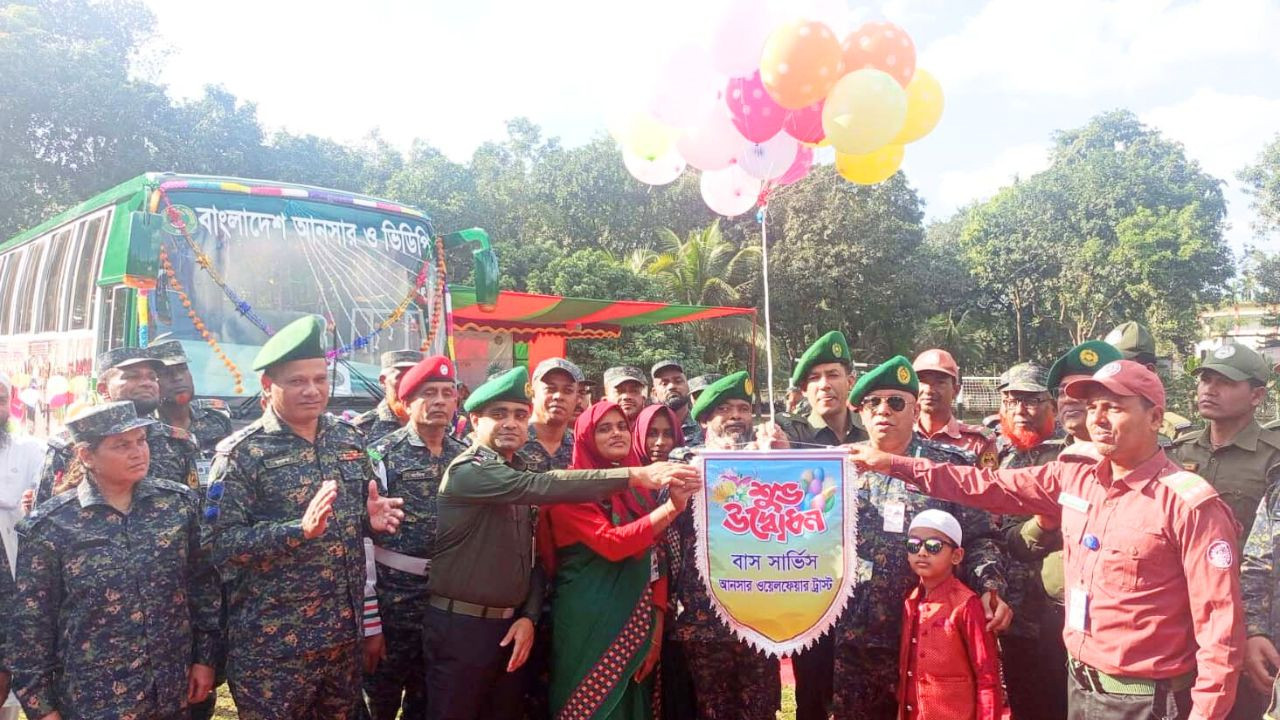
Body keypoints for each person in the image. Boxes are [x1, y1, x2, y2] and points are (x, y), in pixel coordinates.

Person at [848, 359, 1245, 720]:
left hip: (1147, 702)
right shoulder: (1074, 476)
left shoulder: (1188, 504)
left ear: (1155, 417)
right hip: (1079, 689)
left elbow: (1220, 627)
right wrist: (896, 464)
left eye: (1115, 407)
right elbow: (981, 484)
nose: (1099, 419)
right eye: (1093, 407)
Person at [423, 366, 697, 720]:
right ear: (474, 420)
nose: (511, 423)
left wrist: (528, 617)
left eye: (519, 415)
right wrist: (636, 476)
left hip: (512, 625)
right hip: (462, 626)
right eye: (498, 414)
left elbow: (532, 558)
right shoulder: (470, 471)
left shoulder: (519, 470)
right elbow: (548, 489)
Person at [201, 316, 407, 719]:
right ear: (268, 386)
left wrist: (368, 519)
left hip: (340, 643)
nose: (312, 390)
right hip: (274, 648)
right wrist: (296, 532)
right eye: (297, 381)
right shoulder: (241, 454)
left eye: (320, 379)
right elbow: (218, 546)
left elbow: (350, 522)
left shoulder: (348, 440)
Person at [9, 401, 220, 720]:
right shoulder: (51, 526)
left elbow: (202, 587)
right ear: (86, 456)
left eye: (141, 441)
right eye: (122, 445)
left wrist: (205, 659)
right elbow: (30, 627)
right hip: (96, 699)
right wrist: (41, 708)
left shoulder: (178, 506)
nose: (138, 452)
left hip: (172, 689)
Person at [829, 356, 1007, 720]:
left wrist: (990, 587)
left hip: (930, 636)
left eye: (896, 402)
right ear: (860, 412)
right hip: (854, 638)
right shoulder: (834, 467)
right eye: (873, 403)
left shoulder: (949, 465)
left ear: (914, 409)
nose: (884, 411)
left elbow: (980, 538)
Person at [542, 400, 700, 719]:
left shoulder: (641, 493)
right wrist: (671, 509)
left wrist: (654, 632)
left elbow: (658, 561)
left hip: (637, 620)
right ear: (585, 437)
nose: (616, 433)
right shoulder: (569, 489)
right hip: (588, 622)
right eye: (604, 428)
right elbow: (612, 544)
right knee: (588, 706)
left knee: (633, 704)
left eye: (621, 427)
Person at [1002, 340, 1121, 720]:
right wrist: (1043, 524)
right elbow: (1006, 538)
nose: (1022, 410)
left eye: (1033, 399)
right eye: (1012, 400)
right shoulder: (1016, 460)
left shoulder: (1112, 459)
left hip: (1098, 621)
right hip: (1028, 617)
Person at [667, 371, 782, 720]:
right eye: (725, 409)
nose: (736, 416)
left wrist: (781, 459)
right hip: (704, 614)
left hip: (760, 612)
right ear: (704, 418)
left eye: (744, 408)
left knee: (760, 706)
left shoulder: (770, 461)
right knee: (711, 707)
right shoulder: (683, 461)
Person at [363, 356, 467, 720]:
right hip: (394, 598)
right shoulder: (380, 455)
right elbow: (362, 540)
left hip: (446, 599)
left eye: (447, 393)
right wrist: (370, 616)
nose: (439, 401)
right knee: (382, 698)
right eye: (428, 393)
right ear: (406, 403)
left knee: (429, 700)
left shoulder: (466, 455)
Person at [776, 331, 868, 720]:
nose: (824, 385)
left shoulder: (873, 434)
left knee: (867, 696)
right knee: (812, 696)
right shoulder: (789, 435)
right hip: (811, 586)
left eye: (832, 374)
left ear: (850, 379)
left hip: (868, 591)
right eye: (813, 378)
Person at [35, 347, 200, 503]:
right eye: (133, 377)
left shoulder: (179, 443)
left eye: (152, 377)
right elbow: (44, 514)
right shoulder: (69, 446)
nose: (147, 383)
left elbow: (197, 510)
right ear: (103, 389)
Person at [898, 509, 1003, 720]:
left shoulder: (966, 605)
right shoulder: (911, 601)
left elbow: (987, 677)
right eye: (914, 545)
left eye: (933, 546)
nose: (922, 552)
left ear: (957, 555)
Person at [1172, 342, 1280, 540]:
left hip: (1245, 570)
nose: (1209, 390)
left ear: (1256, 395)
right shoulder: (1181, 451)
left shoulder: (1273, 458)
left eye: (1226, 382)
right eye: (1205, 380)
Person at [1104, 321, 1194, 441]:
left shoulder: (1175, 434)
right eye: (1106, 366)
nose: (1110, 373)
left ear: (1149, 370)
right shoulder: (1091, 427)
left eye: (1121, 367)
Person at [913, 349, 997, 468]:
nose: (929, 390)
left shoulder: (980, 441)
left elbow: (989, 482)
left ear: (956, 390)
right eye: (922, 382)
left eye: (939, 382)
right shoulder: (900, 434)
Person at [150, 339, 233, 458]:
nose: (177, 378)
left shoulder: (216, 419)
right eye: (166, 373)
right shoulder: (146, 429)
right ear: (151, 381)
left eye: (182, 369)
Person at [524, 358, 582, 472]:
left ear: (577, 399)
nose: (558, 396)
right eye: (550, 389)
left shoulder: (580, 447)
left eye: (568, 391)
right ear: (533, 393)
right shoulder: (513, 439)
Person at [354, 350, 425, 442]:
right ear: (383, 381)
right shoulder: (362, 429)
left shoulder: (441, 424)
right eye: (402, 378)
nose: (409, 385)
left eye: (416, 378)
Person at [651, 359, 699, 444]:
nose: (672, 386)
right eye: (664, 383)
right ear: (654, 393)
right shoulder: (648, 430)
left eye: (678, 381)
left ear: (689, 387)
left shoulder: (703, 425)